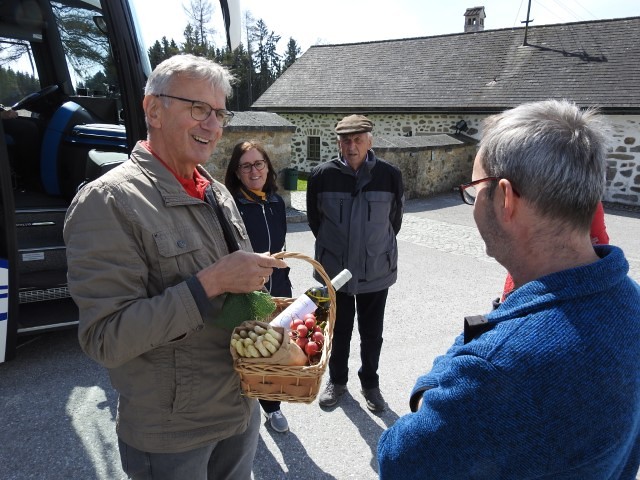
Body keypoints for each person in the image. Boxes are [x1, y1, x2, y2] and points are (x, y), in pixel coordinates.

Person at [377, 99, 640, 479]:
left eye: (473, 190)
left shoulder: (497, 368)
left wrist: (440, 377)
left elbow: (397, 460)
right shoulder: (630, 301)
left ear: (505, 199)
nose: (471, 204)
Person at [63, 54, 287, 480]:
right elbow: (105, 338)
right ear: (153, 110)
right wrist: (209, 283)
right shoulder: (108, 201)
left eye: (219, 113)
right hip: (173, 436)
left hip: (239, 410)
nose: (213, 126)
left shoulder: (218, 191)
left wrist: (271, 323)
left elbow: (236, 304)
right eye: (198, 109)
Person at [307, 114, 404, 412]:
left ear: (369, 141)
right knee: (337, 331)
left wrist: (372, 249)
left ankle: (370, 384)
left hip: (376, 270)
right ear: (338, 143)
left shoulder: (390, 175)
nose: (352, 146)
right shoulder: (321, 175)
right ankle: (337, 381)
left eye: (358, 140)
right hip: (335, 272)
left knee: (372, 334)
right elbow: (316, 222)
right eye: (346, 140)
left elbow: (394, 222)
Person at [224, 140, 292, 433]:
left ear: (268, 166)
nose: (254, 171)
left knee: (273, 349)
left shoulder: (276, 202)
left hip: (278, 288)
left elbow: (280, 247)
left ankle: (271, 407)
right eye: (246, 166)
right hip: (246, 293)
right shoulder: (230, 207)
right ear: (237, 172)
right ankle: (247, 405)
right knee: (249, 350)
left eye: (259, 163)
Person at [500, 201, 610, 300]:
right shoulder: (585, 197)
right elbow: (600, 242)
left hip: (523, 279)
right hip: (569, 284)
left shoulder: (522, 191)